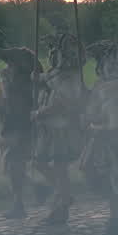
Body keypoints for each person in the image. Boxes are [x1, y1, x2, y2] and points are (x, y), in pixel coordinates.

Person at [79, 40, 118, 235]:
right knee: (93, 173)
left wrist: (100, 127)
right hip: (99, 137)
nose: (103, 65)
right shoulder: (102, 85)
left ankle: (115, 222)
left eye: (107, 62)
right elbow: (93, 109)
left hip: (116, 138)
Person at [32, 33, 86, 224]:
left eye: (57, 54)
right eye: (52, 53)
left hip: (62, 128)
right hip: (49, 129)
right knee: (39, 163)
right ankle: (64, 195)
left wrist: (40, 113)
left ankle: (61, 207)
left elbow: (63, 103)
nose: (53, 57)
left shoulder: (70, 76)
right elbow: (46, 80)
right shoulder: (54, 75)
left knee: (59, 167)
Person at [0, 46, 41, 219]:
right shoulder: (6, 77)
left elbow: (28, 100)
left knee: (14, 162)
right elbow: (2, 99)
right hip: (11, 124)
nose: (8, 66)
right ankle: (35, 191)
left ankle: (20, 203)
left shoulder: (28, 80)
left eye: (11, 62)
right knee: (12, 164)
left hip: (24, 123)